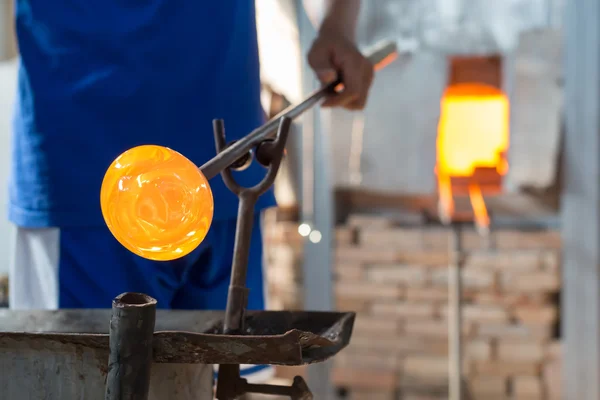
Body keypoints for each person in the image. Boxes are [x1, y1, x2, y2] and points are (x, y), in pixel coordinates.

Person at [8, 0, 374, 382]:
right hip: (90, 179)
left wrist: (339, 26)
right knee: (76, 382)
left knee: (224, 385)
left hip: (227, 170)